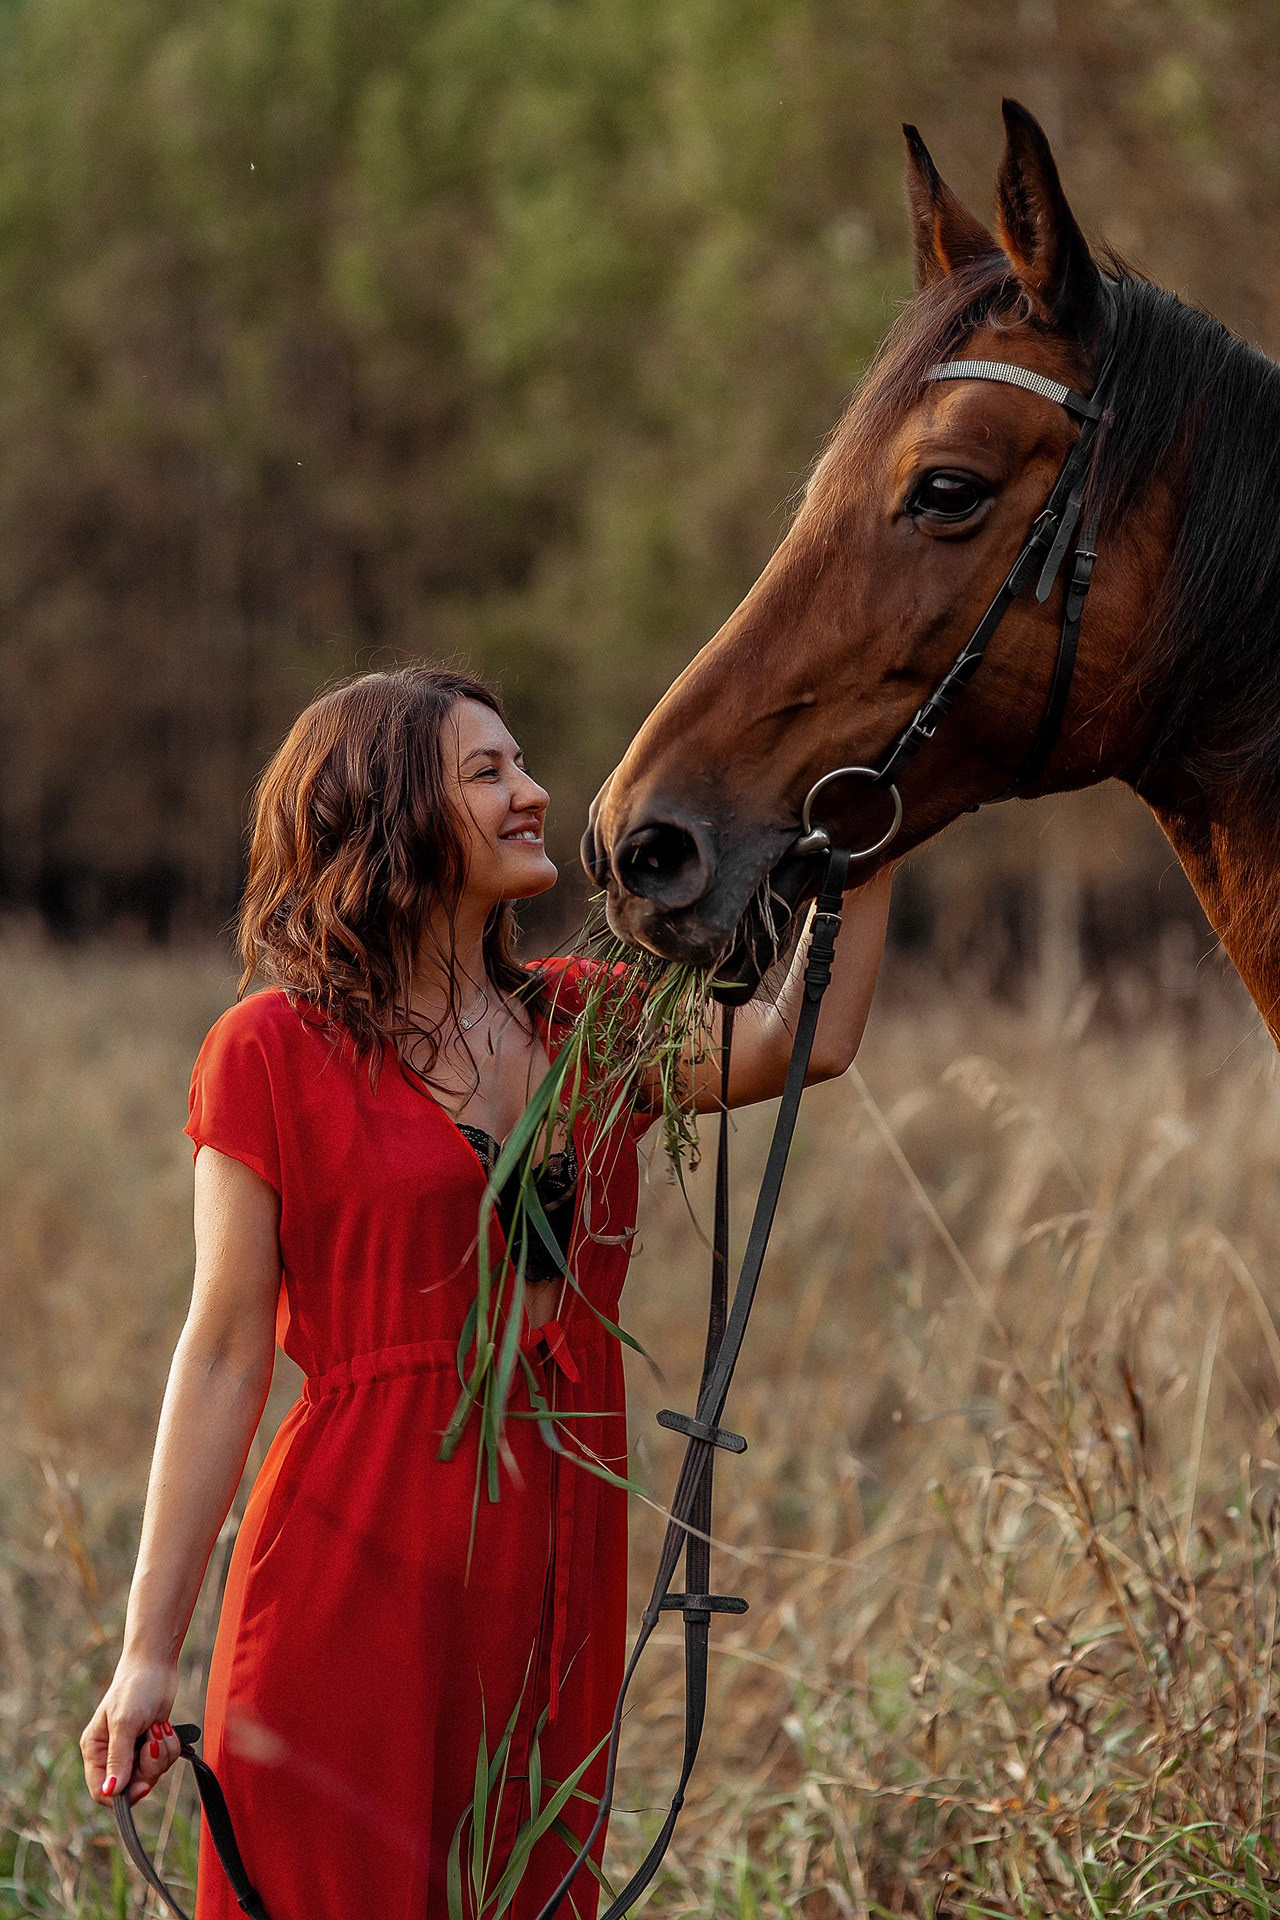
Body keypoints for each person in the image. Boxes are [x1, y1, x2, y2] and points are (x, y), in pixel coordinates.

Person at [79, 665, 892, 1919]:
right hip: (348, 1570)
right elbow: (225, 1352)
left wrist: (890, 814)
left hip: (549, 1564)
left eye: (520, 766)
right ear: (390, 809)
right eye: (488, 774)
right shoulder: (270, 1051)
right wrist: (145, 1654)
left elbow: (802, 1041)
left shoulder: (589, 1021)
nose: (535, 795)